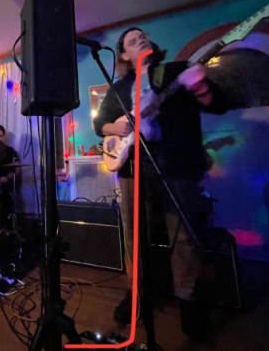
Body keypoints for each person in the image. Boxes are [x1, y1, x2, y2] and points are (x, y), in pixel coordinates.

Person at [93, 28, 227, 338]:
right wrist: (117, 126)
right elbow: (100, 124)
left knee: (183, 236)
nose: (141, 38)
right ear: (124, 54)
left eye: (143, 35)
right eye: (132, 39)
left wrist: (201, 87)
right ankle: (138, 295)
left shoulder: (176, 72)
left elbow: (217, 103)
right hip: (132, 167)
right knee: (133, 235)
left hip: (175, 163)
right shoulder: (119, 88)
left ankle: (189, 303)